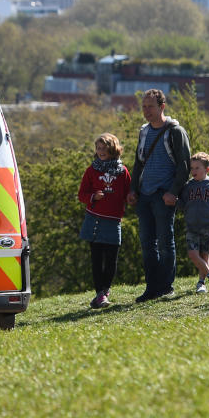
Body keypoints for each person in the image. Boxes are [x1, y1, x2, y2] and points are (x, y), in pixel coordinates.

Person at [126, 88, 192, 303]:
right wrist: (133, 189)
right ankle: (151, 287)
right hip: (144, 196)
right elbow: (138, 162)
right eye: (144, 107)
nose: (146, 111)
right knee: (147, 243)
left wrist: (173, 192)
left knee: (165, 242)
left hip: (164, 196)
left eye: (150, 107)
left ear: (162, 107)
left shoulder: (175, 131)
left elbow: (184, 166)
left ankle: (166, 287)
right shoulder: (144, 131)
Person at [78, 132, 133, 308]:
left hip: (114, 220)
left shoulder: (123, 172)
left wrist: (132, 198)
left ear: (113, 149)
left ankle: (105, 291)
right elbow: (82, 195)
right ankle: (100, 294)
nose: (101, 151)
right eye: (98, 148)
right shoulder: (91, 170)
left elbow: (128, 193)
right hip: (94, 219)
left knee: (111, 259)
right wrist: (93, 196)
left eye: (104, 148)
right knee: (96, 259)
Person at [180, 151, 209, 293]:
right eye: (192, 168)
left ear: (207, 169)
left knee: (204, 256)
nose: (193, 171)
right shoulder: (188, 186)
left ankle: (201, 283)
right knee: (193, 255)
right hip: (192, 226)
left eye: (197, 168)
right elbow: (183, 204)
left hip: (208, 226)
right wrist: (175, 202)